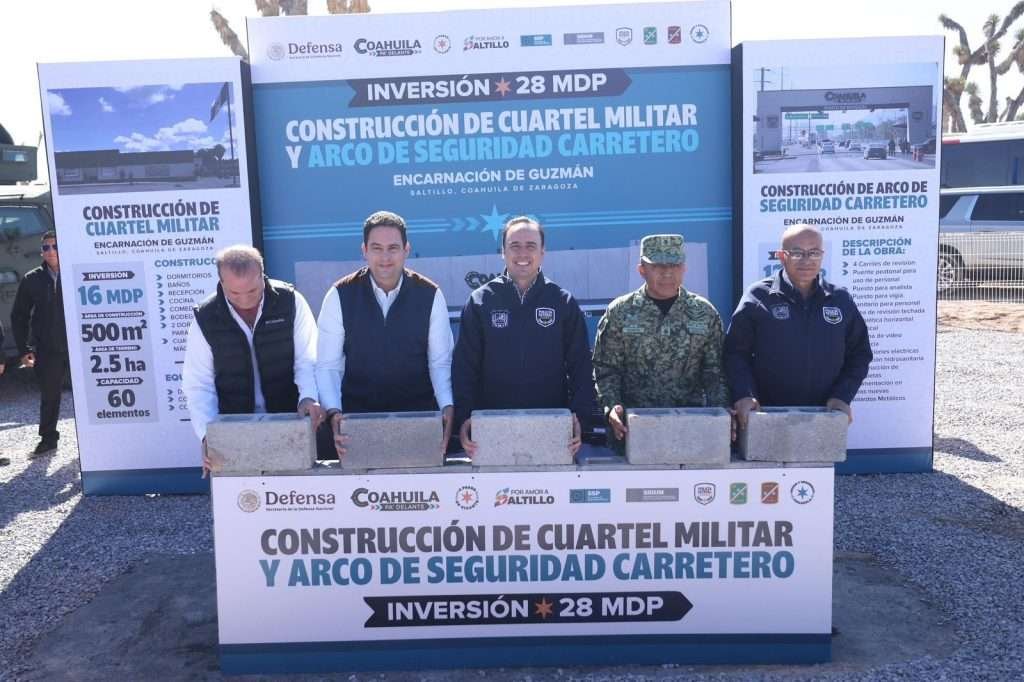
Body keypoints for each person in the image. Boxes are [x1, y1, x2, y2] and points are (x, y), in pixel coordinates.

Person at [316, 211, 454, 459]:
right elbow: (328, 366)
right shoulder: (339, 295)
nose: (385, 257)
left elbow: (440, 363)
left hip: (418, 421)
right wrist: (334, 411)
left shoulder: (430, 294)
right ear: (364, 250)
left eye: (393, 248)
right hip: (356, 423)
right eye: (377, 248)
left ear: (406, 250)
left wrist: (447, 406)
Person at [453, 216, 595, 457]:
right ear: (503, 252)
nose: (522, 253)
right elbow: (464, 368)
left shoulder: (562, 302)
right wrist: (465, 419)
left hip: (552, 428)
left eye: (531, 246)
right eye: (514, 246)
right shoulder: (480, 302)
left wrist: (579, 418)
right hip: (491, 429)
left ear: (542, 252)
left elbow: (581, 366)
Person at [182, 245, 322, 475]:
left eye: (252, 291)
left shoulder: (291, 302)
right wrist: (208, 435)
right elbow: (198, 384)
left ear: (262, 275)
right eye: (235, 293)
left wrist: (308, 396)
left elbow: (307, 359)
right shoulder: (205, 317)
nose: (245, 300)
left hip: (290, 420)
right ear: (221, 283)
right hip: (233, 427)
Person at [724, 224, 872, 430]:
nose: (806, 260)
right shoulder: (759, 297)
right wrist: (744, 394)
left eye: (814, 253)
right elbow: (734, 353)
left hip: (824, 416)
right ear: (781, 256)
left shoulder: (840, 299)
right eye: (797, 253)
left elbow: (860, 354)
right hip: (766, 416)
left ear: (822, 255)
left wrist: (842, 396)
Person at [592, 234, 729, 444]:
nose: (667, 273)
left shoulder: (704, 313)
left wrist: (721, 418)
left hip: (691, 429)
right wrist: (611, 406)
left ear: (684, 268)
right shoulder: (620, 312)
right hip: (632, 431)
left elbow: (715, 373)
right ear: (642, 270)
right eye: (658, 266)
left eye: (674, 265)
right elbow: (605, 369)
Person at [11, 231, 69, 458]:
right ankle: (48, 439)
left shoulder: (77, 272)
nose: (51, 251)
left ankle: (96, 441)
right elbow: (19, 316)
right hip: (48, 348)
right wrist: (24, 349)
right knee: (50, 395)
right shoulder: (32, 279)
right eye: (46, 247)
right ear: (41, 252)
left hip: (78, 347)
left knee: (89, 395)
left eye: (55, 246)